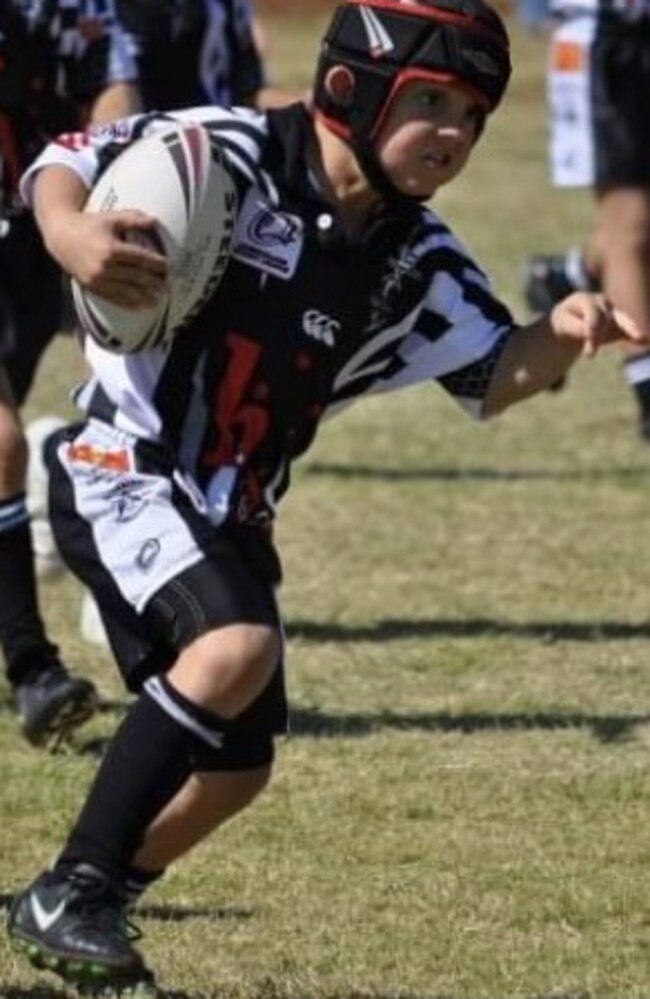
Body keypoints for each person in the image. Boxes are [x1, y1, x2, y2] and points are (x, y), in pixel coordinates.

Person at [7, 0, 647, 991]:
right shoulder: (228, 149)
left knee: (236, 773)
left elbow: (489, 375)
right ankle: (77, 886)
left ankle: (73, 893)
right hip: (123, 469)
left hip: (232, 508)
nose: (453, 132)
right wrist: (66, 234)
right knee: (235, 650)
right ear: (350, 86)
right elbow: (71, 151)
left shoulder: (413, 258)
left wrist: (561, 332)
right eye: (431, 101)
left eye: (473, 115)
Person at [72, 0, 299, 649]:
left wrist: (332, 121)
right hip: (140, 211)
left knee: (205, 400)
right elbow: (109, 102)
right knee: (128, 392)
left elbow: (247, 90)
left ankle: (179, 562)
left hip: (220, 214)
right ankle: (127, 564)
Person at [0, 0, 141, 745]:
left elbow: (115, 89)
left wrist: (102, 179)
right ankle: (33, 668)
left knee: (143, 380)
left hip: (40, 220)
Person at [522, 0, 650, 436]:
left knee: (630, 231)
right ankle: (647, 386)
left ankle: (568, 276)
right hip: (605, 42)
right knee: (631, 229)